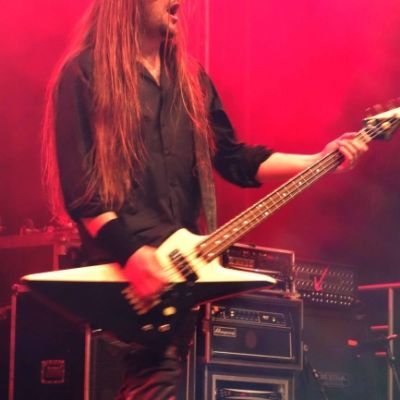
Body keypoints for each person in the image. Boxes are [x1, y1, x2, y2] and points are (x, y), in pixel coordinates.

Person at [42, 0, 368, 399]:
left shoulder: (191, 80)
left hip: (181, 274)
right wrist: (131, 254)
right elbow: (83, 194)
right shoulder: (84, 73)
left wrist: (318, 159)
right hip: (123, 276)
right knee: (150, 381)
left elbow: (232, 159)